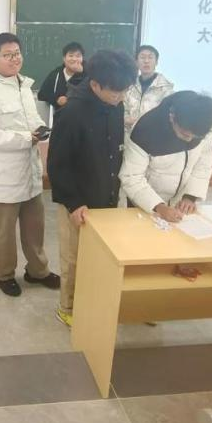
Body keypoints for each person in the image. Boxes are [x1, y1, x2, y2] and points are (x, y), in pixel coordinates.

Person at [47, 50, 138, 327]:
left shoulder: (115, 102)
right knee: (74, 258)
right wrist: (74, 203)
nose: (120, 97)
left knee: (103, 255)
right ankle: (68, 306)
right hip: (77, 200)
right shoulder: (72, 112)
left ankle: (94, 299)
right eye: (116, 92)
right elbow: (57, 164)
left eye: (124, 91)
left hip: (107, 192)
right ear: (95, 84)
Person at [0, 32, 59, 297]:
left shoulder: (24, 85)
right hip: (4, 176)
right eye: (7, 55)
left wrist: (40, 129)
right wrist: (24, 138)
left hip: (30, 172)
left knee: (35, 228)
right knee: (4, 233)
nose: (14, 59)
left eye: (17, 53)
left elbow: (31, 119)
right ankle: (3, 273)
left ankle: (38, 271)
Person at [120, 90, 212, 223]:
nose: (189, 140)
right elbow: (131, 177)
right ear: (172, 117)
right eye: (185, 134)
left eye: (195, 136)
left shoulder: (202, 125)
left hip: (179, 206)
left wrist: (190, 196)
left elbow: (203, 166)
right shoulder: (145, 129)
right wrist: (159, 207)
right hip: (144, 205)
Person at [124, 45, 173, 132]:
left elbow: (168, 117)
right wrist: (126, 119)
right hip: (128, 136)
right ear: (136, 62)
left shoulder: (166, 89)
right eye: (142, 57)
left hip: (153, 136)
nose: (146, 61)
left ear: (156, 62)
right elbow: (122, 109)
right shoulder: (129, 86)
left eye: (150, 57)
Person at [37, 41, 85, 122]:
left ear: (82, 58)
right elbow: (41, 95)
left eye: (78, 56)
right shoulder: (56, 74)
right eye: (71, 56)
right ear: (64, 58)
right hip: (61, 121)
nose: (74, 59)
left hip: (84, 120)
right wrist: (56, 99)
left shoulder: (89, 75)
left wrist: (81, 74)